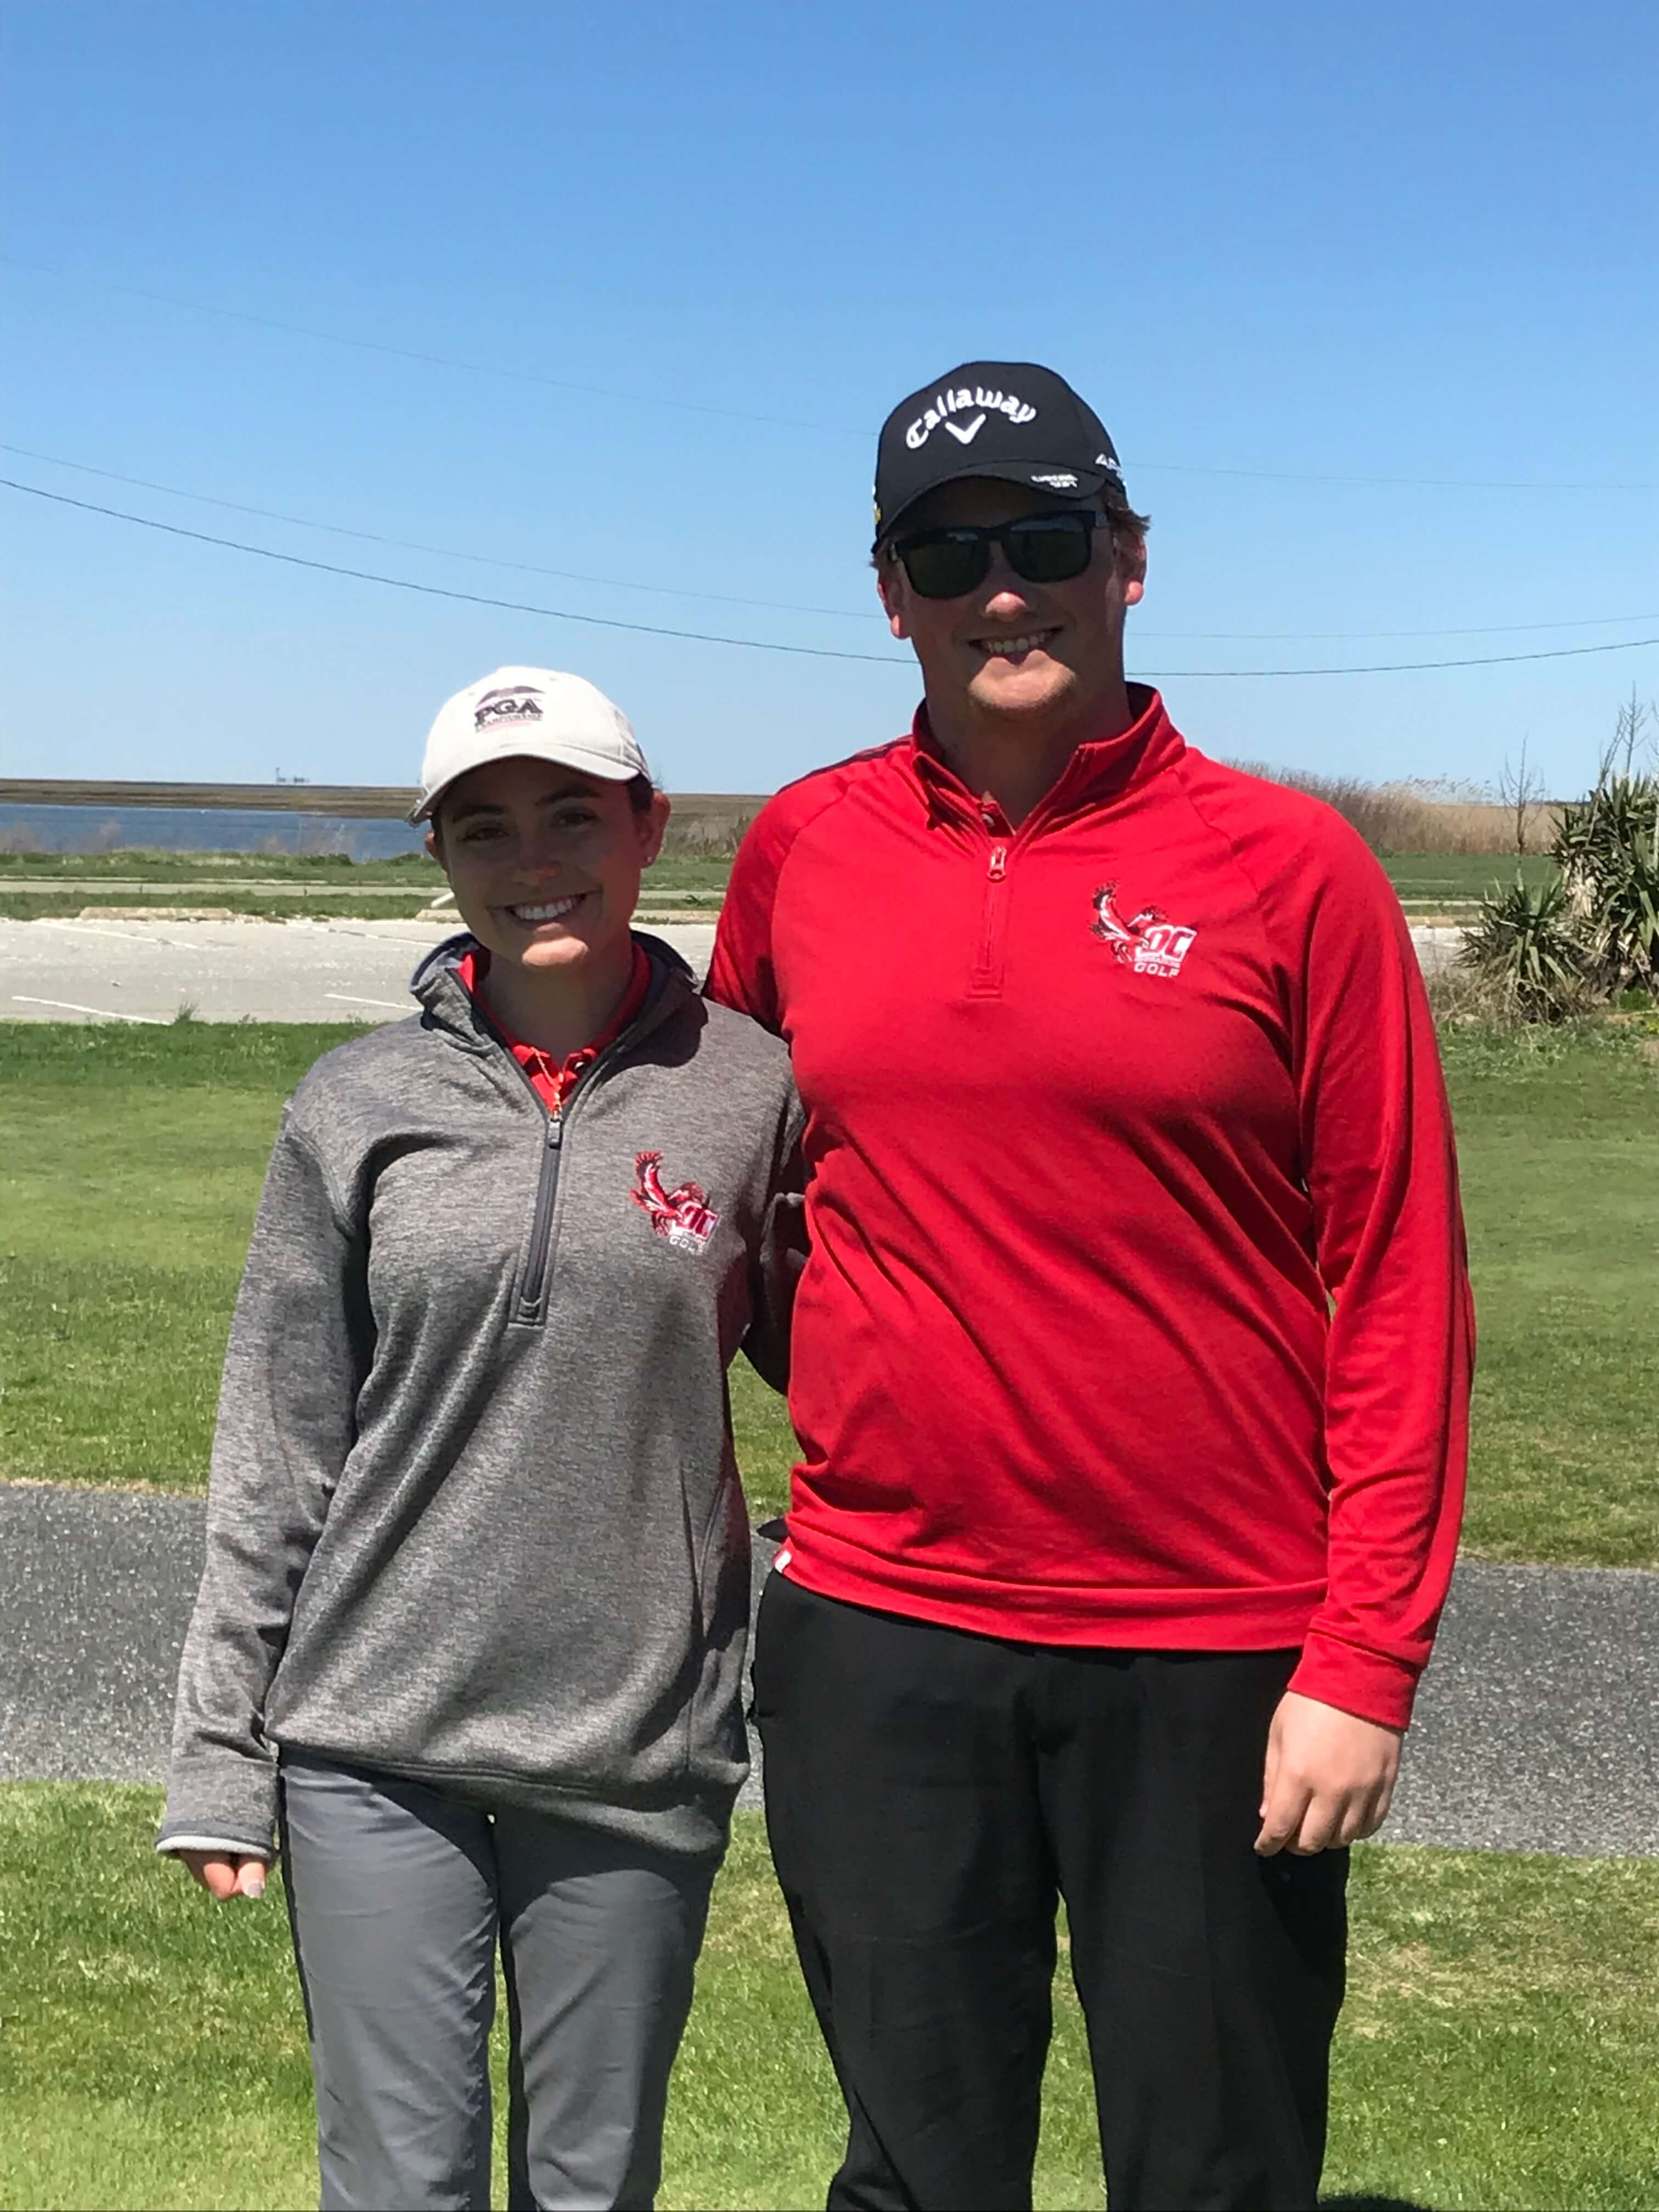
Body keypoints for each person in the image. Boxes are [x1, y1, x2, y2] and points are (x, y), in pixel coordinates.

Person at [707, 363, 1474, 2212]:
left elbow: (1396, 1283)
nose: (1000, 591)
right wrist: (866, 1376)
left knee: (1215, 2171)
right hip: (885, 1634)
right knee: (913, 2173)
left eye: (1044, 541)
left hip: (1215, 1649)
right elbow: (724, 1193)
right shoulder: (803, 850)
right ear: (887, 588)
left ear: (1128, 561)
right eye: (944, 552)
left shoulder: (1294, 872)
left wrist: (1363, 1657)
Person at [159, 665, 803, 2212]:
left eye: (574, 816)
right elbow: (279, 1441)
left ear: (649, 827)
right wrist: (220, 1750)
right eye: (488, 830)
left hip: (633, 1744)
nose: (536, 863)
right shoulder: (355, 1105)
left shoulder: (750, 1088)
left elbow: (854, 1359)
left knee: (593, 2187)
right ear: (442, 860)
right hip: (376, 1739)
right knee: (400, 2186)